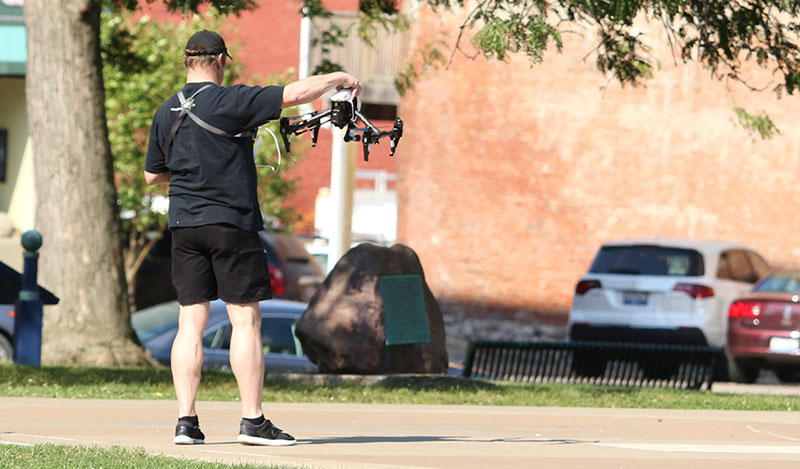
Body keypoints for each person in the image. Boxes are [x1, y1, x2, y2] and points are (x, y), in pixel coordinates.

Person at [144, 30, 361, 447]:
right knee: (245, 319)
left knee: (191, 322)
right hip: (230, 223)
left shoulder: (166, 109)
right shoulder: (231, 100)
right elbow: (294, 94)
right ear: (221, 59)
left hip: (184, 225)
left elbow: (154, 174)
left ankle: (186, 423)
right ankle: (252, 421)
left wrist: (194, 173)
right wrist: (338, 77)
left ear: (187, 62)